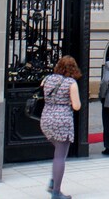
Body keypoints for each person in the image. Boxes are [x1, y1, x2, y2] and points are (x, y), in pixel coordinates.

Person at [41, 55, 82, 199]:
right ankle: (56, 192)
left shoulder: (47, 79)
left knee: (58, 151)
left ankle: (53, 182)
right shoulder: (71, 83)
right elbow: (77, 106)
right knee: (60, 156)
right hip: (62, 120)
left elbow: (41, 91)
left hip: (46, 118)